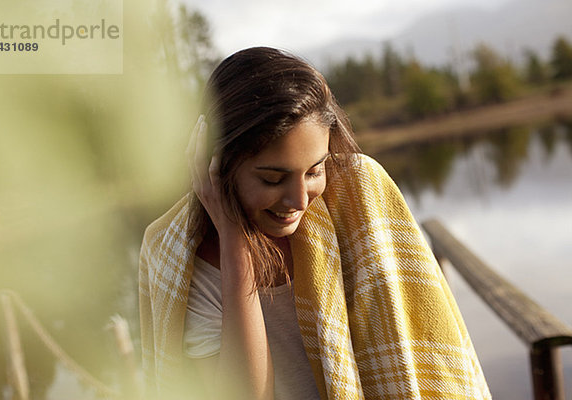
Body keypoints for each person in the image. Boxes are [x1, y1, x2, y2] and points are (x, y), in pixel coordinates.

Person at [139, 47, 491, 400]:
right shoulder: (187, 264)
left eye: (314, 171)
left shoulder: (358, 202)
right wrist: (234, 240)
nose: (299, 201)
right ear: (217, 166)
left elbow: (428, 351)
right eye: (273, 179)